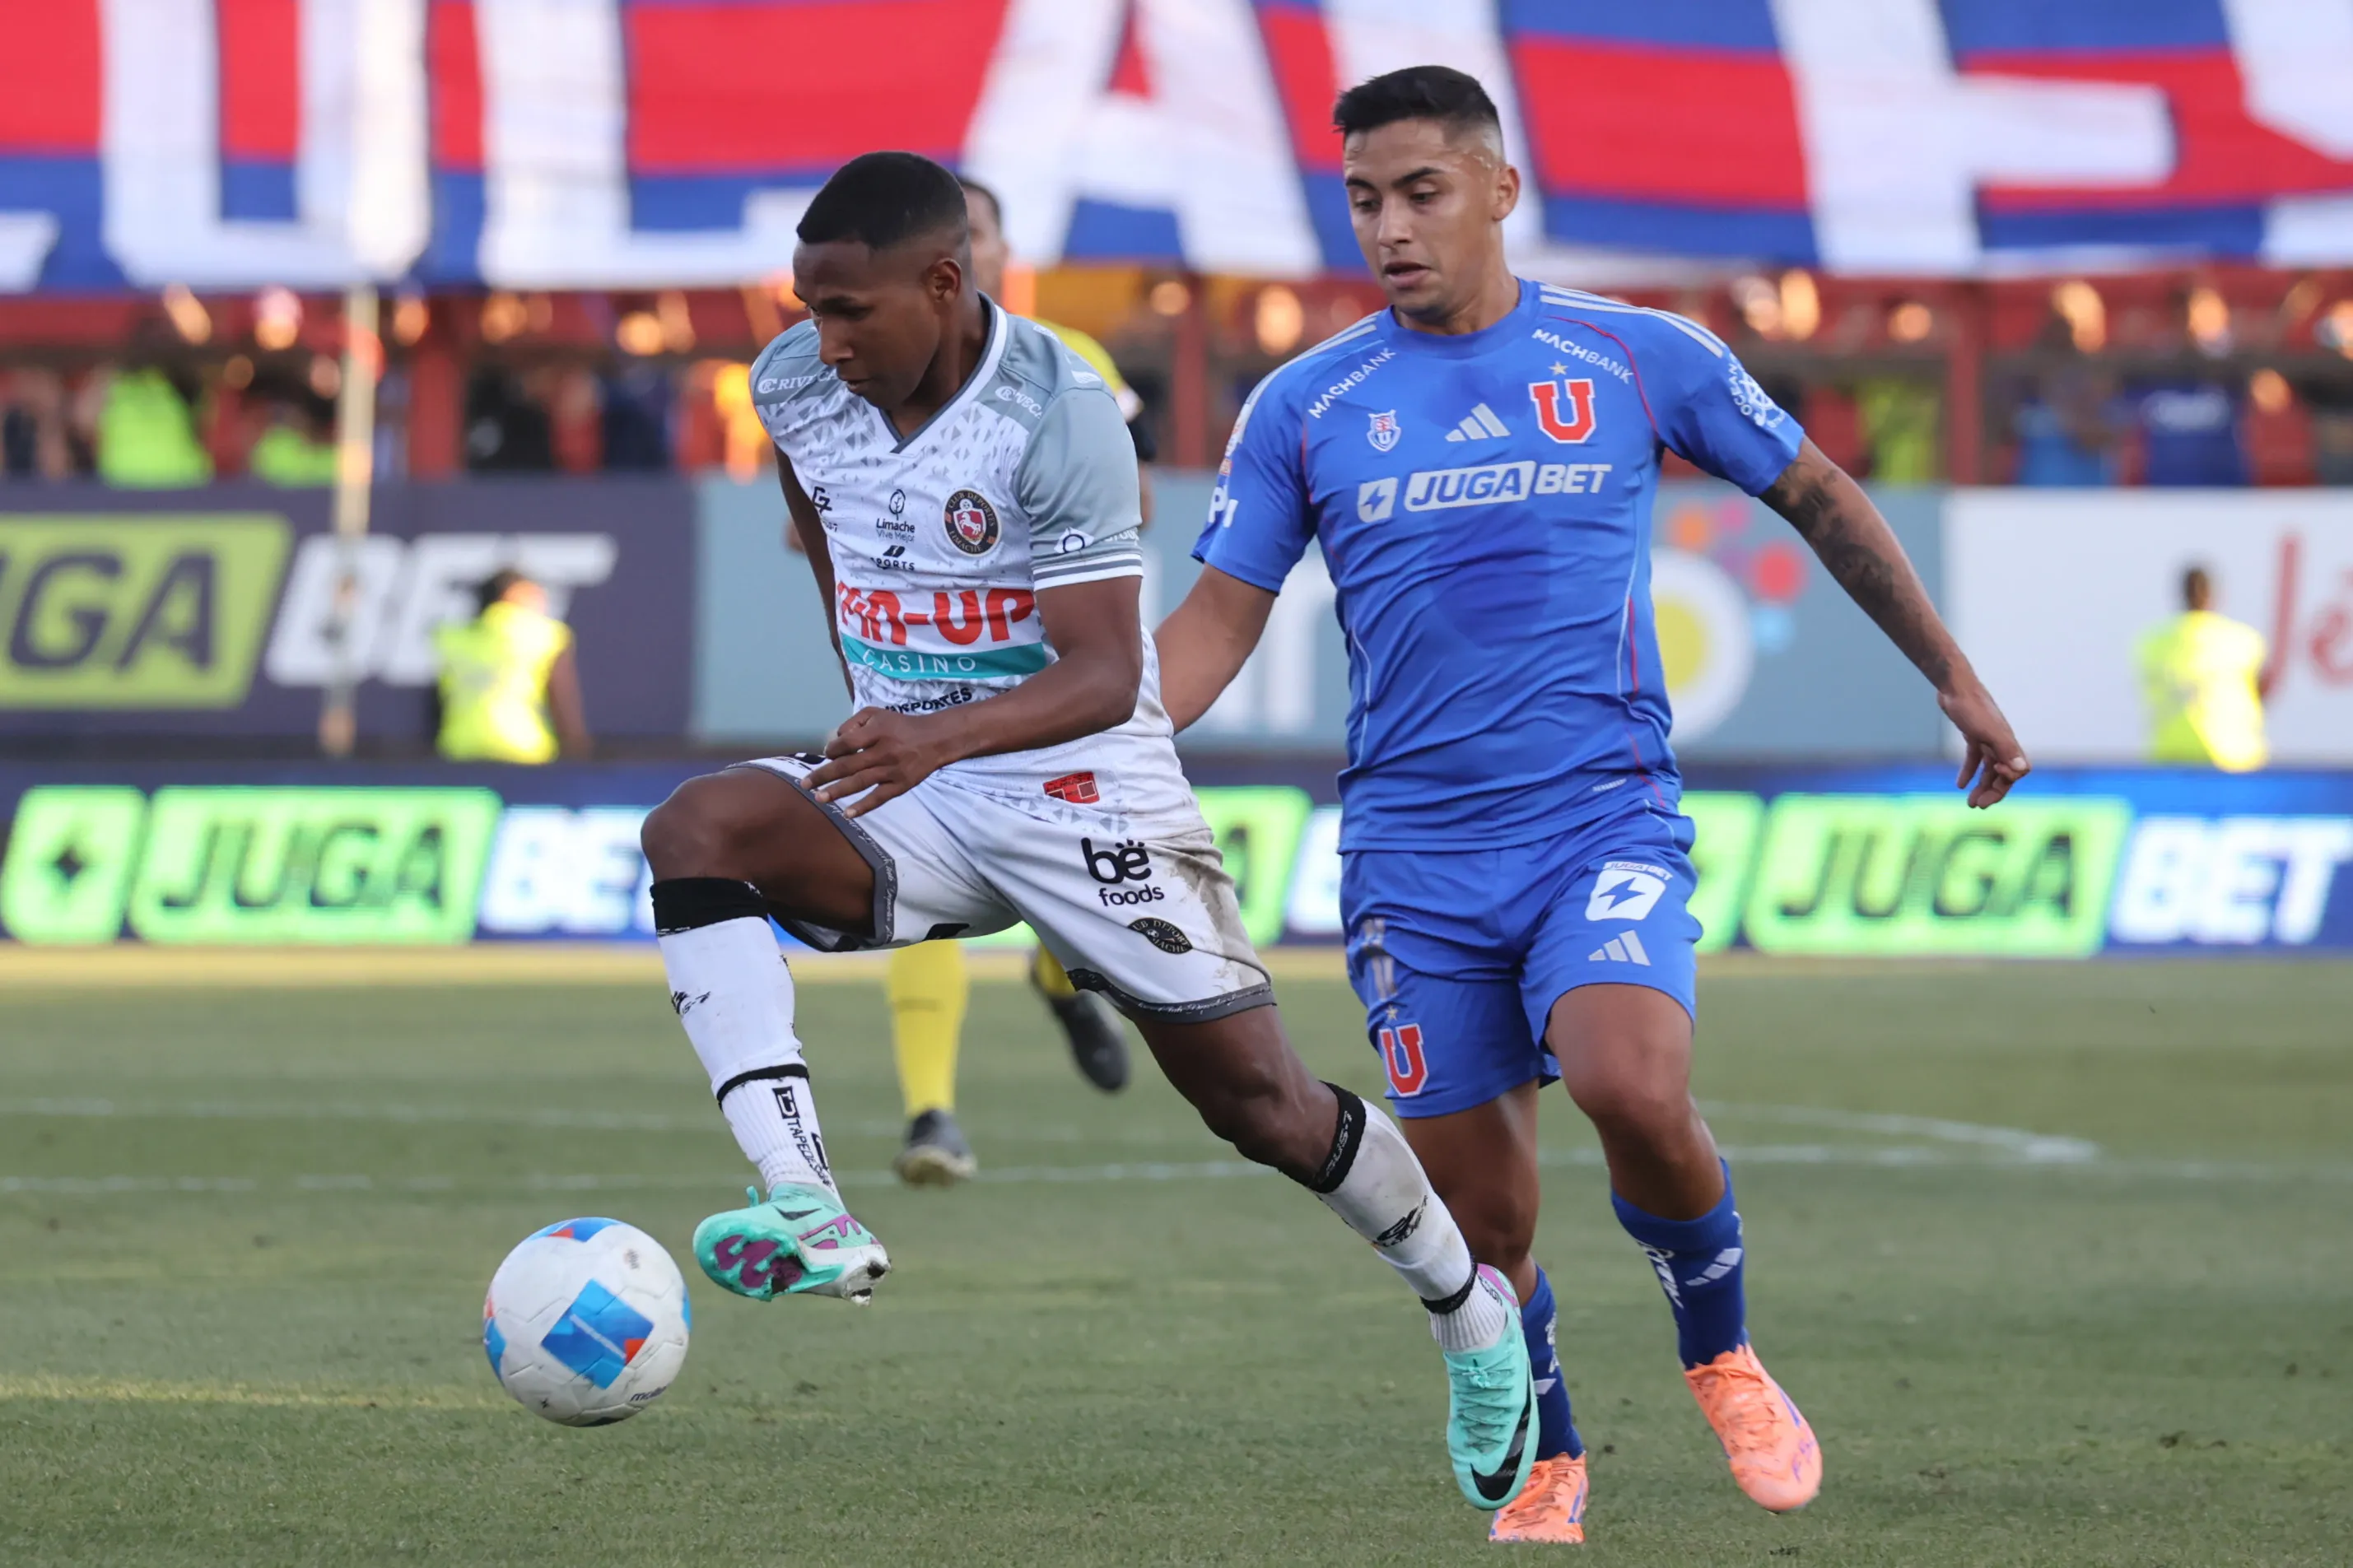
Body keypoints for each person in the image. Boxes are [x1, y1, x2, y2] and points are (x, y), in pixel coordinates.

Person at [1155, 67, 2031, 1545]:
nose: (1389, 227)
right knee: (1483, 1233)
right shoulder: (1306, 405)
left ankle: (1722, 1353)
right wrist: (1090, 747)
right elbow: (1215, 625)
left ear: (1499, 190)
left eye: (1420, 191)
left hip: (1595, 822)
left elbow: (1814, 490)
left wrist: (1950, 673)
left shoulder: (1630, 355)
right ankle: (1553, 1446)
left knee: (1631, 1082)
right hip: (1409, 860)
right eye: (1364, 199)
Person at [637, 150, 1543, 1518]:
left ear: (944, 284)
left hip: (1082, 791)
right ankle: (807, 1203)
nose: (821, 342)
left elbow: (1104, 673)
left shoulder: (1056, 410)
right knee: (695, 830)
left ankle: (1464, 1311)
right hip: (918, 781)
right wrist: (875, 697)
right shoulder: (796, 384)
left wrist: (929, 732)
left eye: (851, 313)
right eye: (806, 308)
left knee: (1260, 1109)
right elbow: (813, 512)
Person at [870, 176, 1152, 1189]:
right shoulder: (872, 376)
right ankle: (930, 1114)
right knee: (912, 881)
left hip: (1052, 682)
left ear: (992, 248)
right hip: (922, 682)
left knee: (1062, 873)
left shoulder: (1070, 364)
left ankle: (1055, 973)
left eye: (973, 232)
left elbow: (1141, 498)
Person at [432, 570, 590, 763]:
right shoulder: (546, 636)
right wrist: (579, 757)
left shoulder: (452, 639)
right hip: (522, 752)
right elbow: (564, 709)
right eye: (534, 595)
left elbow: (438, 704)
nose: (541, 604)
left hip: (459, 751)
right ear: (513, 594)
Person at [2136, 565, 2268, 772]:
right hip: (2232, 758)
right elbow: (2261, 690)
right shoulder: (2241, 640)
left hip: (2173, 758)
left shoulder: (2152, 643)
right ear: (2212, 594)